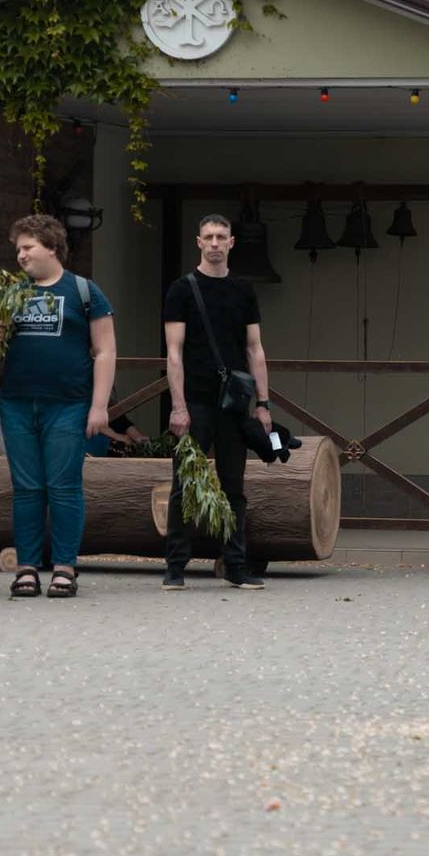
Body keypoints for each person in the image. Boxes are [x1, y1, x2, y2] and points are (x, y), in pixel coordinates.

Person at [0, 215, 115, 599]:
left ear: (52, 248)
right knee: (25, 488)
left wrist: (100, 406)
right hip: (17, 402)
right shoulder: (12, 294)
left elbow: (106, 351)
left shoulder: (84, 291)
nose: (21, 255)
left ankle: (64, 567)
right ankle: (27, 567)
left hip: (69, 404)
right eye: (18, 249)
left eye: (28, 247)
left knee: (64, 487)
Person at [161, 214, 271, 591]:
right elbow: (173, 354)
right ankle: (176, 566)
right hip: (194, 400)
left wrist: (264, 403)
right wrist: (178, 406)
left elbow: (255, 348)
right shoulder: (181, 289)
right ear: (198, 242)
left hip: (234, 403)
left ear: (231, 243)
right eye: (208, 236)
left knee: (233, 486)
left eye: (221, 237)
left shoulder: (243, 289)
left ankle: (234, 564)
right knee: (184, 483)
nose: (214, 243)